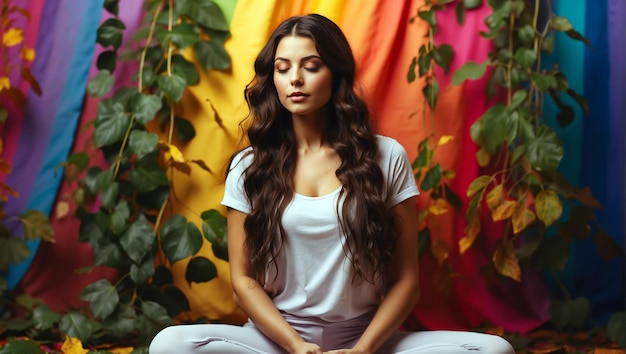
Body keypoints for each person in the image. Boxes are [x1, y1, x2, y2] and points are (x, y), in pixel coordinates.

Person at [149, 13, 515, 354]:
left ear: (336, 74)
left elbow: (406, 282)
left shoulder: (386, 157)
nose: (295, 79)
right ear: (272, 78)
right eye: (282, 68)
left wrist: (362, 351)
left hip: (367, 339)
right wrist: (296, 346)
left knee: (494, 350)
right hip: (276, 341)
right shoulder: (250, 166)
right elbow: (243, 280)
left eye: (311, 66)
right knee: (170, 344)